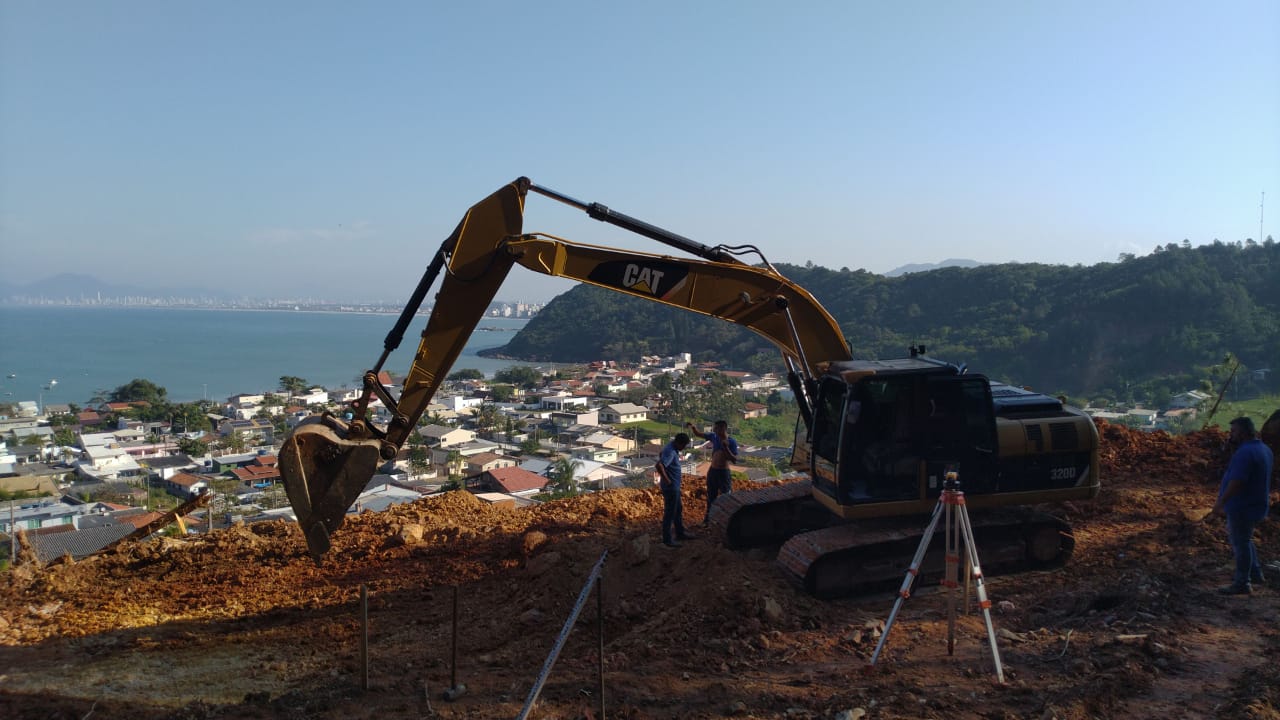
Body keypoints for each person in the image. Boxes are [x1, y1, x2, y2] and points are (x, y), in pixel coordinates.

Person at [1211, 417, 1276, 595]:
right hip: (1256, 503)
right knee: (1246, 540)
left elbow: (1237, 481)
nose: (1230, 435)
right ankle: (1255, 574)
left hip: (1242, 505)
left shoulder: (1245, 453)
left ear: (1242, 433)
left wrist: (1221, 501)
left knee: (1240, 543)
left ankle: (1242, 582)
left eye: (1233, 432)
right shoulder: (1264, 449)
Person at [687, 420, 739, 525]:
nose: (714, 430)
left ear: (723, 428)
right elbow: (699, 434)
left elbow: (734, 459)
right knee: (711, 496)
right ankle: (708, 520)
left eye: (716, 428)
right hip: (713, 471)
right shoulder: (714, 437)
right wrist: (693, 428)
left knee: (726, 497)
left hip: (723, 472)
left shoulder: (731, 442)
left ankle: (726, 521)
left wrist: (726, 447)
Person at [656, 432, 694, 548]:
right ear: (679, 443)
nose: (684, 448)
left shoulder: (671, 447)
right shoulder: (671, 451)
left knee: (678, 510)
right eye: (683, 445)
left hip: (674, 486)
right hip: (671, 487)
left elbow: (661, 454)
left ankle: (680, 533)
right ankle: (667, 540)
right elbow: (659, 465)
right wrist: (667, 480)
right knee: (670, 513)